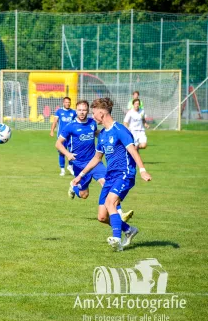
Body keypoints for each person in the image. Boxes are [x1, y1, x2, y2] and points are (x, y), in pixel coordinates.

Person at [71, 98, 151, 252]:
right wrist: (80, 175)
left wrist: (142, 170)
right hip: (110, 176)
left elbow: (133, 151)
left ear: (102, 113)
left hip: (124, 173)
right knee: (102, 217)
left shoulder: (120, 130)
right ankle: (129, 230)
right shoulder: (102, 135)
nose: (92, 117)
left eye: (94, 113)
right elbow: (96, 158)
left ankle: (117, 240)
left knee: (110, 203)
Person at [56, 100, 133, 222]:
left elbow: (96, 133)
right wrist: (67, 154)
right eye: (79, 110)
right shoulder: (70, 126)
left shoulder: (92, 123)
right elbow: (58, 143)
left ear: (88, 111)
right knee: (84, 195)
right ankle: (73, 186)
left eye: (84, 110)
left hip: (94, 161)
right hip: (79, 164)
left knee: (106, 183)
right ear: (76, 111)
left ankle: (119, 212)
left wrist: (110, 136)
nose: (82, 112)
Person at [50, 96, 77, 176]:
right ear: (63, 103)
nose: (67, 104)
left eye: (69, 102)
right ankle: (62, 170)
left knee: (72, 152)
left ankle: (70, 166)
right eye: (66, 102)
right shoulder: (59, 111)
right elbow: (55, 122)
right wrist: (52, 131)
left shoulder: (73, 112)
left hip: (71, 135)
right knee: (61, 152)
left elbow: (76, 123)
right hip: (61, 135)